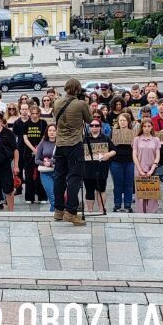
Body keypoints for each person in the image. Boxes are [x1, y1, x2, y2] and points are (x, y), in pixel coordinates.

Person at [51, 78, 92, 225]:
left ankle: (58, 210)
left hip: (60, 144)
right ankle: (71, 212)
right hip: (74, 143)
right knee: (75, 178)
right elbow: (89, 119)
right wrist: (85, 104)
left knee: (59, 177)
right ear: (78, 90)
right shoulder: (80, 104)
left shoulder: (57, 102)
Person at [13, 104, 47, 206]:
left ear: (39, 114)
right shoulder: (26, 124)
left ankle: (42, 196)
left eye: (36, 113)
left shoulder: (43, 123)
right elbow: (25, 139)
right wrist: (33, 149)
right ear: (30, 113)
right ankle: (29, 197)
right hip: (28, 152)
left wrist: (38, 149)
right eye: (33, 113)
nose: (35, 115)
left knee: (40, 175)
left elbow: (44, 137)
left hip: (41, 151)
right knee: (28, 175)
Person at [82, 120, 115, 215]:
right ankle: (90, 211)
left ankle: (101, 210)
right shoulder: (84, 139)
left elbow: (114, 150)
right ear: (89, 127)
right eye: (92, 125)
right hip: (87, 169)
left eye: (96, 125)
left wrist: (108, 154)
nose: (94, 127)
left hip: (102, 168)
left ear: (100, 127)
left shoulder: (105, 138)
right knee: (89, 190)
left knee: (101, 190)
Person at [133, 120, 163, 214]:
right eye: (144, 126)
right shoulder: (137, 139)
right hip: (139, 168)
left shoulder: (156, 140)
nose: (146, 128)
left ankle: (152, 214)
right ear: (142, 127)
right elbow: (134, 155)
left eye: (149, 126)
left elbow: (157, 156)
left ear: (152, 127)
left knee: (152, 194)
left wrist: (152, 169)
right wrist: (140, 170)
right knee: (140, 194)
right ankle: (140, 214)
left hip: (152, 169)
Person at [109, 112, 136, 213]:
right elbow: (109, 146)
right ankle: (117, 204)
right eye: (120, 120)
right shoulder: (113, 132)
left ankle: (128, 205)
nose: (122, 122)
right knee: (117, 184)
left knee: (129, 183)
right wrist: (113, 143)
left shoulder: (133, 133)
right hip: (116, 161)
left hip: (129, 161)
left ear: (128, 122)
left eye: (124, 120)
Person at [35, 124, 58, 211]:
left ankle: (54, 213)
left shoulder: (60, 143)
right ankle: (55, 213)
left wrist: (50, 162)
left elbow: (62, 159)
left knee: (58, 196)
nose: (52, 132)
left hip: (58, 172)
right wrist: (44, 163)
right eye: (50, 130)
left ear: (57, 132)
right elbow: (36, 160)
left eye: (54, 130)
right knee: (52, 196)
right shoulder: (42, 143)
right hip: (45, 173)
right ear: (47, 132)